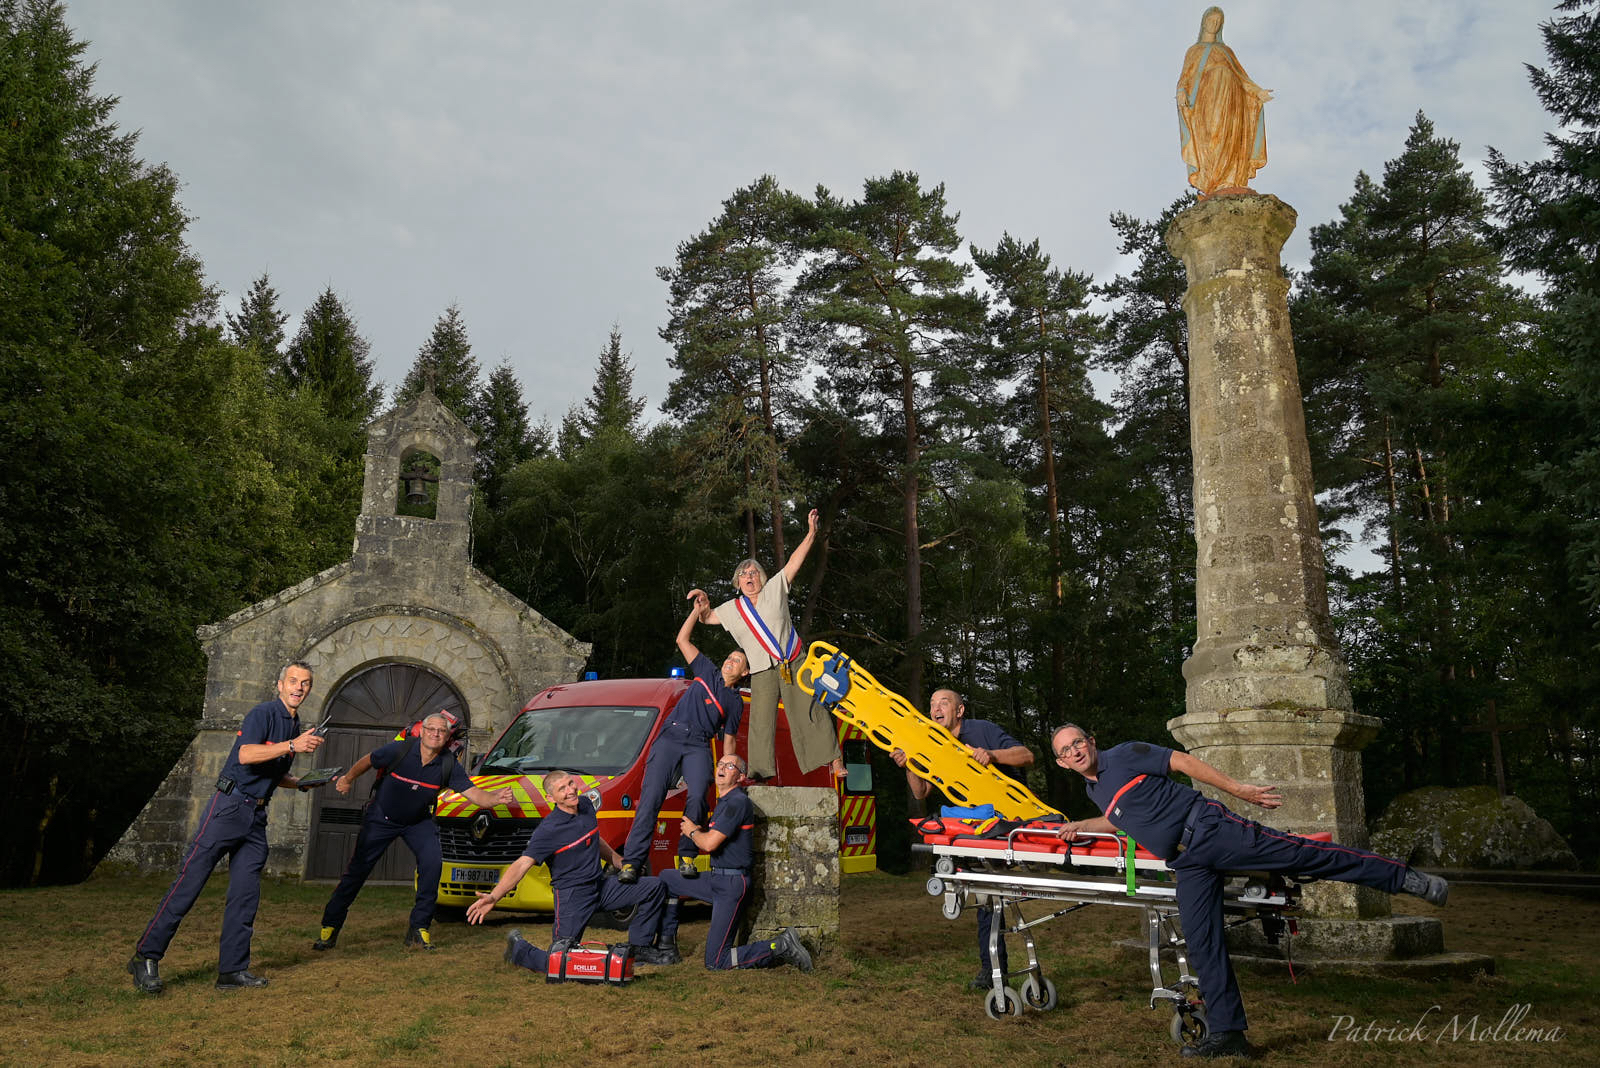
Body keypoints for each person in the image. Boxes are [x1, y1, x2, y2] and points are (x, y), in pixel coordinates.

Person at [1049, 724, 1449, 1060]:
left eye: (1078, 742)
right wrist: (1085, 825)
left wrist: (1239, 790)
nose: (1075, 751)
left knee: (1303, 854)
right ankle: (1229, 1035)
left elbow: (1182, 762)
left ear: (1091, 742)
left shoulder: (1127, 753)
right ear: (1062, 762)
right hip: (1187, 863)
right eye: (1066, 750)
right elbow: (1125, 818)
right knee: (1201, 941)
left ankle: (1406, 879)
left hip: (1210, 830)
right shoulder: (1094, 790)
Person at [128, 661, 326, 993]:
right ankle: (145, 957)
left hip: (256, 818)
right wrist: (293, 746)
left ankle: (232, 971)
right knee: (189, 885)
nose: (298, 687)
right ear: (280, 684)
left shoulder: (295, 725)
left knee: (245, 896)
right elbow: (247, 754)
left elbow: (273, 772)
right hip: (229, 808)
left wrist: (303, 783)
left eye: (305, 683)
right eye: (293, 680)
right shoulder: (261, 714)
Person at [311, 712, 514, 952]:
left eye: (441, 731)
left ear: (447, 736)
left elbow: (474, 794)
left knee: (432, 863)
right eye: (431, 729)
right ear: (422, 731)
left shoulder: (448, 763)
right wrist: (347, 779)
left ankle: (419, 928)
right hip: (381, 818)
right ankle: (330, 927)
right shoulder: (400, 750)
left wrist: (495, 799)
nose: (436, 734)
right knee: (357, 871)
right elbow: (368, 760)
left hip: (417, 822)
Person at [687, 507, 845, 782]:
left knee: (809, 708)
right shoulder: (732, 609)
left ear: (762, 577)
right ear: (738, 583)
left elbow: (796, 560)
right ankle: (760, 772)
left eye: (754, 573)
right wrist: (702, 602)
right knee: (760, 722)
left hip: (794, 659)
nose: (750, 578)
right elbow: (706, 617)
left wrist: (810, 534)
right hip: (761, 670)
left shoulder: (775, 588)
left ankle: (834, 760)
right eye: (744, 575)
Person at [891, 689, 1034, 991]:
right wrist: (909, 766)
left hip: (1002, 823)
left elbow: (1027, 756)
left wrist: (992, 755)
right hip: (966, 830)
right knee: (983, 897)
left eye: (943, 703)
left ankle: (994, 968)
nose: (935, 709)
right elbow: (920, 792)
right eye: (931, 704)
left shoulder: (982, 730)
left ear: (959, 711)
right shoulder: (932, 743)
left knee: (988, 897)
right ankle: (992, 967)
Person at [467, 769, 678, 966]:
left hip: (601, 887)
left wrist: (616, 860)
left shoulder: (585, 806)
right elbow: (521, 865)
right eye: (562, 789)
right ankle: (519, 950)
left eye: (570, 783)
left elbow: (593, 838)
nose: (570, 791)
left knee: (655, 886)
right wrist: (494, 897)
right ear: (551, 798)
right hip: (572, 897)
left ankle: (639, 949)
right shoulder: (548, 830)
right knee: (561, 961)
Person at [617, 603, 747, 885]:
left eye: (737, 661)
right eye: (729, 657)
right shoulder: (706, 670)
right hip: (671, 737)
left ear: (745, 673)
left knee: (699, 793)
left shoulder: (736, 702)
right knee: (651, 799)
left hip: (698, 745)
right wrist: (696, 611)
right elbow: (682, 640)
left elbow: (729, 740)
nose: (730, 661)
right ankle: (631, 862)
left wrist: (728, 772)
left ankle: (687, 856)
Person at [653, 753, 813, 972]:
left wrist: (691, 832)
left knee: (716, 962)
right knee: (667, 879)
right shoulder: (724, 801)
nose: (722, 768)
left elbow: (709, 844)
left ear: (740, 776)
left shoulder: (736, 802)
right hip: (717, 877)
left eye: (730, 766)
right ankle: (666, 947)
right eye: (720, 764)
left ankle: (780, 945)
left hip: (731, 885)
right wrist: (698, 831)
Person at [1176, 6, 1272, 196]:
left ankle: (1229, 180)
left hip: (1231, 97)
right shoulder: (1194, 51)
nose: (1214, 24)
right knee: (1212, 136)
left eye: (1218, 22)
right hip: (1207, 99)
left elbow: (1243, 79)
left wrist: (1257, 92)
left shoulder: (1226, 51)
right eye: (1211, 20)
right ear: (1204, 22)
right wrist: (1181, 91)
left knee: (1229, 135)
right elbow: (1185, 78)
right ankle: (1213, 180)